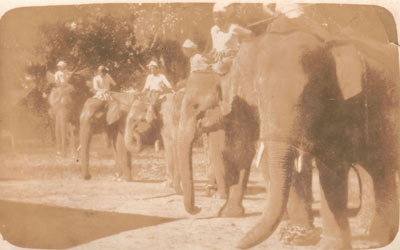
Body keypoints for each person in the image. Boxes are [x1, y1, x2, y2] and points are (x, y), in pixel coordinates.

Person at [210, 2, 253, 74]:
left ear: (225, 17)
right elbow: (215, 47)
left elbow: (251, 34)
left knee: (219, 67)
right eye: (215, 17)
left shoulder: (233, 28)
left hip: (232, 59)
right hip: (218, 60)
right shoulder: (213, 30)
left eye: (220, 16)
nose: (217, 19)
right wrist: (213, 53)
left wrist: (240, 49)